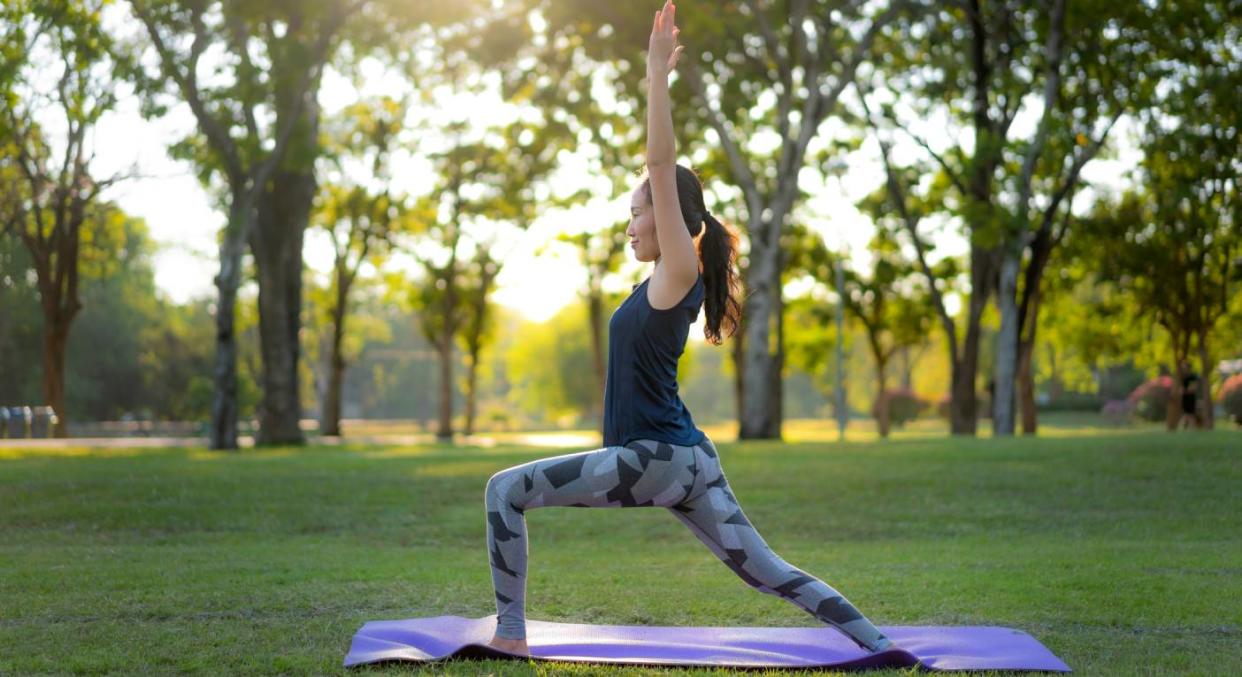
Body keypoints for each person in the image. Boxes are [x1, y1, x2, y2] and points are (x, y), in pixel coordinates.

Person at [483, 0, 895, 656]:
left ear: (671, 216)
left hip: (652, 460)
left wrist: (655, 76)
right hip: (687, 460)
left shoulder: (679, 267)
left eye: (639, 211)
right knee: (769, 573)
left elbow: (660, 158)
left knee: (504, 490)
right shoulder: (660, 282)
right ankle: (878, 642)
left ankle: (510, 634)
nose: (631, 225)